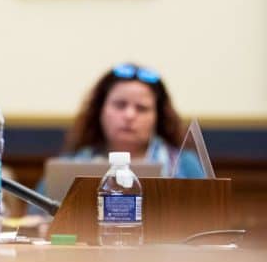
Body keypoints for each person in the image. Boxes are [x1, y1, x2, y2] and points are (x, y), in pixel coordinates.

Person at [30, 63, 204, 213]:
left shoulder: (184, 165)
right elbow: (33, 220)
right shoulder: (67, 166)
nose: (129, 115)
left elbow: (208, 223)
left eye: (141, 108)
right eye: (120, 105)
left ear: (158, 117)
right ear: (100, 111)